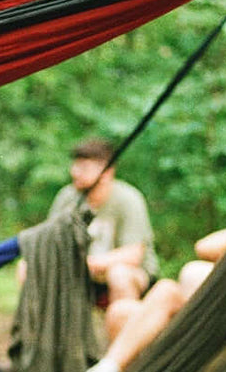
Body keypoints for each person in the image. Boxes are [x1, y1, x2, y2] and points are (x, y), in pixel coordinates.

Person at [84, 180, 226, 372]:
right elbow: (205, 246)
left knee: (167, 290)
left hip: (220, 345)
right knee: (121, 310)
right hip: (198, 330)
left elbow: (204, 249)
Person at [39, 136, 158, 340]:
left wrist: (87, 263)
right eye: (75, 166)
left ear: (107, 172)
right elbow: (48, 241)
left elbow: (133, 255)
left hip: (129, 276)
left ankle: (120, 358)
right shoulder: (68, 197)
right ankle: (39, 351)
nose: (74, 172)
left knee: (119, 274)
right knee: (28, 268)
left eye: (84, 167)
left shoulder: (127, 199)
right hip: (80, 276)